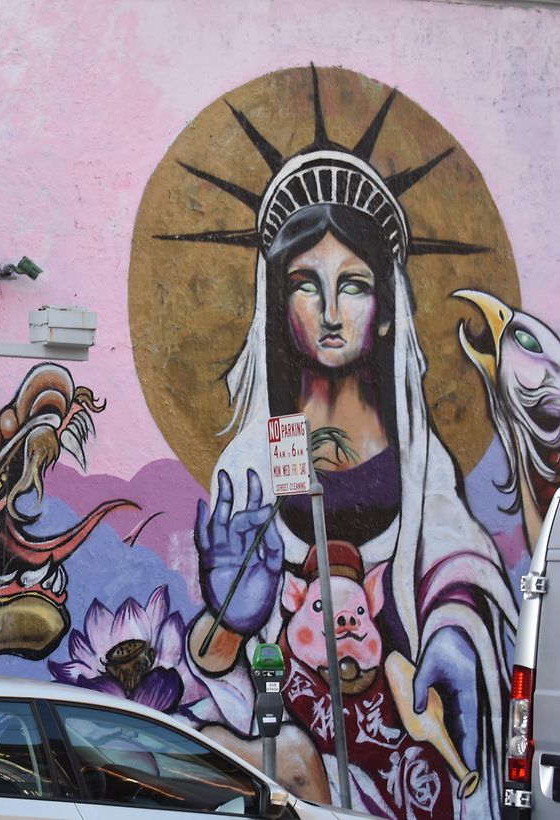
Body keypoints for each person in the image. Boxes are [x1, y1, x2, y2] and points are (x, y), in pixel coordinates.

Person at [172, 72, 518, 819]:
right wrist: (233, 614)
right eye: (306, 284)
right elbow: (216, 662)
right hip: (293, 745)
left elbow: (462, 571)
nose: (330, 311)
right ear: (278, 303)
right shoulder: (255, 460)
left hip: (408, 748)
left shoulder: (420, 459)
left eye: (354, 285)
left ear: (387, 309)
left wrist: (452, 638)